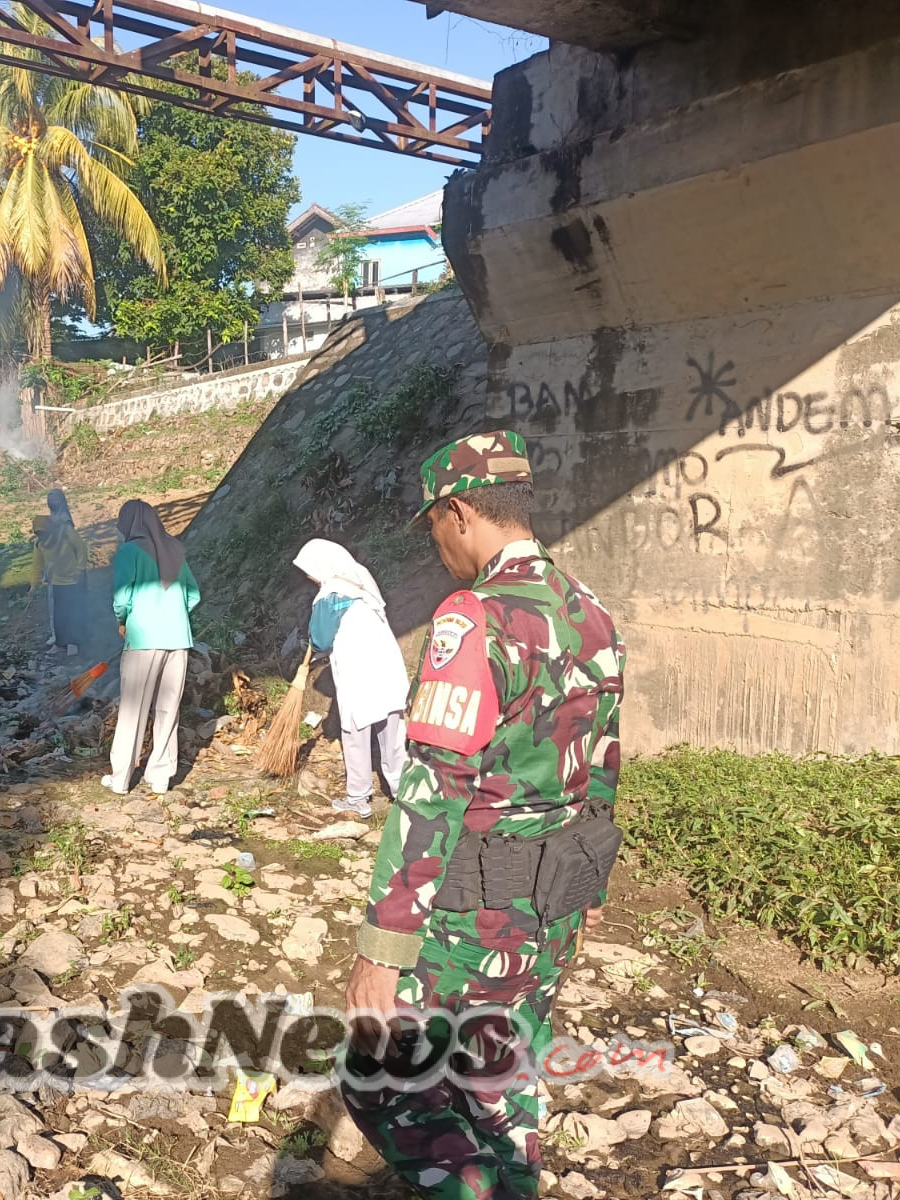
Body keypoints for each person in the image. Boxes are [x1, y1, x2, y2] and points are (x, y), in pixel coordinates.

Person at [342, 432, 626, 1200]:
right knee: (503, 1079)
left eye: (435, 525)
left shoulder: (476, 617)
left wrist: (383, 945)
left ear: (460, 512)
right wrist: (590, 884)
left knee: (381, 1078)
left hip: (472, 917)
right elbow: (601, 759)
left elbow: (434, 789)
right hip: (554, 905)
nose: (437, 546)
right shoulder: (591, 612)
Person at [293, 539, 409, 818]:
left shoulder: (329, 595)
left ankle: (358, 797)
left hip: (358, 667)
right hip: (387, 662)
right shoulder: (361, 579)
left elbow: (320, 640)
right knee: (392, 727)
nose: (309, 576)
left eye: (309, 570)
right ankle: (401, 790)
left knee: (355, 731)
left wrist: (316, 644)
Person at [107, 499, 199, 796]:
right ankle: (160, 777)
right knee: (167, 708)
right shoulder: (174, 549)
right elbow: (193, 596)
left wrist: (124, 621)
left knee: (133, 709)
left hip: (144, 641)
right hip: (178, 640)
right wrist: (173, 614)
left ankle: (121, 779)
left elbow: (122, 597)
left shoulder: (130, 551)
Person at [33, 490, 88, 656]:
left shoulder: (65, 530)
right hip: (56, 582)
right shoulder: (39, 544)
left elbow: (81, 549)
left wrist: (79, 569)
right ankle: (59, 643)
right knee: (58, 616)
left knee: (73, 612)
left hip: (72, 580)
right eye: (38, 534)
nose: (41, 536)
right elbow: (37, 564)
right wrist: (34, 585)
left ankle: (73, 643)